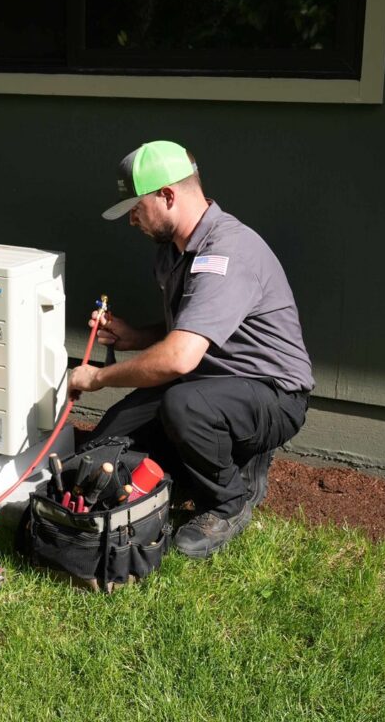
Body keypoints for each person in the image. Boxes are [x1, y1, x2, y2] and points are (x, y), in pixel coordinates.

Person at [68, 140, 313, 558]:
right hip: (205, 381)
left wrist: (97, 377)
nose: (131, 220)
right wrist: (133, 337)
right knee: (105, 441)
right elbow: (187, 332)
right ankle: (198, 468)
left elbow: (180, 357)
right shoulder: (172, 252)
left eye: (135, 207)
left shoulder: (227, 251)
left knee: (184, 407)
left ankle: (231, 500)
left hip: (269, 393)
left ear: (167, 195)